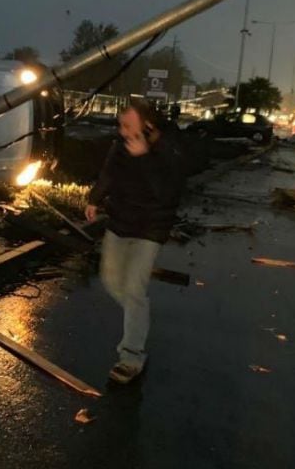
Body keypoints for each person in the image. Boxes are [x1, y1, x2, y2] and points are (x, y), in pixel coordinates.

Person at [85, 99, 187, 384]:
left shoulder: (169, 148)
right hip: (120, 222)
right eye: (121, 124)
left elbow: (167, 192)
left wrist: (144, 157)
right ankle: (137, 314)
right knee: (111, 280)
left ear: (148, 125)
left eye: (128, 125)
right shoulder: (121, 144)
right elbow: (109, 172)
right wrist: (95, 199)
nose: (122, 130)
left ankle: (131, 357)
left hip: (150, 229)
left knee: (133, 287)